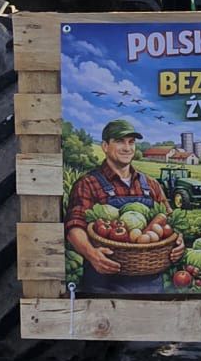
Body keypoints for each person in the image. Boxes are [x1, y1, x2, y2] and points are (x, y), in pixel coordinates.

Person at [65, 119, 185, 293]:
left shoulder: (151, 184)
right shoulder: (88, 183)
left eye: (131, 142)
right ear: (105, 146)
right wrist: (92, 254)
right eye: (119, 141)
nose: (127, 148)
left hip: (151, 285)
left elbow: (170, 222)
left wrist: (178, 241)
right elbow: (73, 226)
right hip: (104, 283)